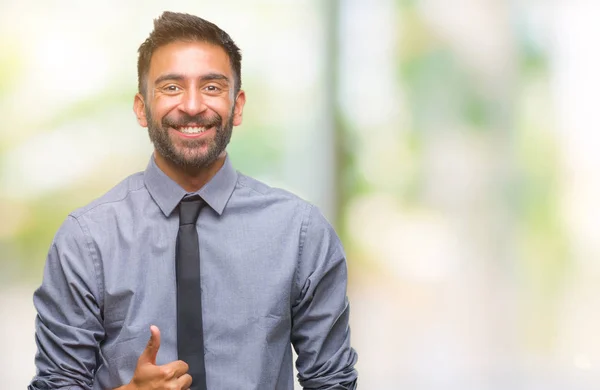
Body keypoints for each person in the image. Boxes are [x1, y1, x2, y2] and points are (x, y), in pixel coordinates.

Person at [29, 11, 358, 390]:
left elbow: (332, 383)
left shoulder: (301, 233)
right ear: (141, 107)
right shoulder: (86, 241)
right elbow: (56, 383)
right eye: (171, 87)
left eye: (212, 87)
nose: (191, 105)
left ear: (237, 106)